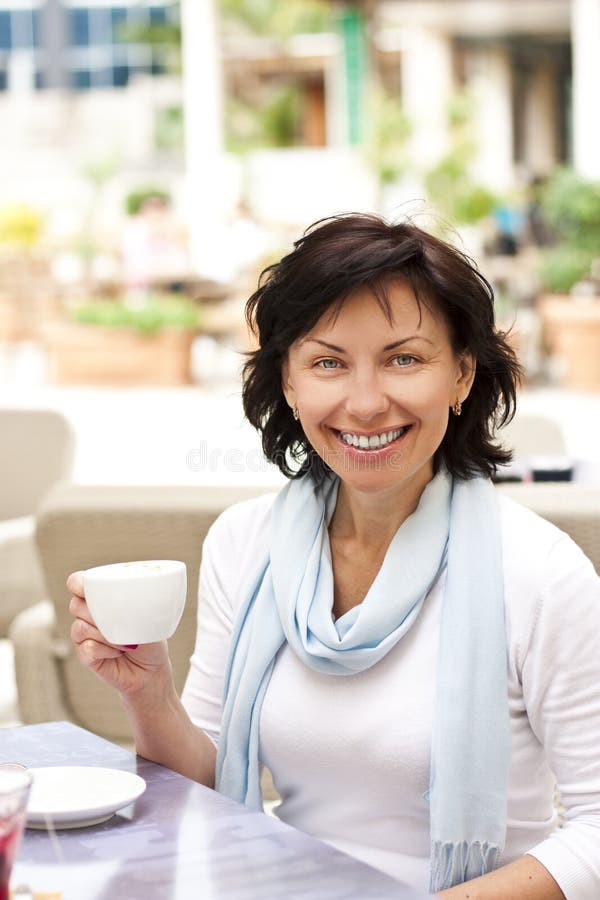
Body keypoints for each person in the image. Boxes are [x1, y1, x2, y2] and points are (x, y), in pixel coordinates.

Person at [68, 214, 600, 898]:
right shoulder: (244, 542)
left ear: (463, 374)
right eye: (328, 362)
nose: (366, 402)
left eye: (404, 358)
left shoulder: (539, 573)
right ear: (288, 383)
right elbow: (198, 785)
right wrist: (146, 692)